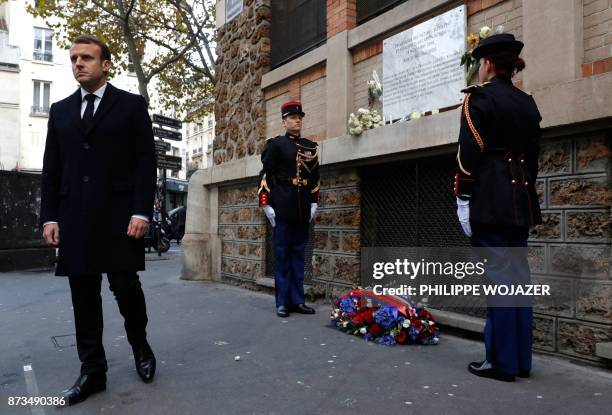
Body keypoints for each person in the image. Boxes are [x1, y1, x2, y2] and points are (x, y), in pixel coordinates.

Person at [40, 35, 157, 405]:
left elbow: (145, 162)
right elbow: (52, 169)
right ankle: (93, 371)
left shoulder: (131, 106)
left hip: (120, 217)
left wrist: (141, 211)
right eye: (73, 58)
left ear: (106, 64)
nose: (78, 63)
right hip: (75, 217)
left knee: (126, 288)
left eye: (87, 58)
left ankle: (140, 345)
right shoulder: (59, 110)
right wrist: (49, 218)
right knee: (83, 297)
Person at [454, 33, 542, 382]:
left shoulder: (479, 100)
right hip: (520, 201)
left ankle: (501, 362)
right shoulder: (527, 102)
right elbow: (533, 160)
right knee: (519, 279)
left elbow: (467, 155)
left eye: (479, 64)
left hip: (489, 200)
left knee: (499, 282)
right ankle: (521, 359)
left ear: (487, 64)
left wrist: (463, 199)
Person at [258, 102, 320, 318]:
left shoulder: (310, 146)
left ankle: (297, 300)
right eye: (292, 117)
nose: (297, 120)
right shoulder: (276, 145)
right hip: (282, 205)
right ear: (284, 121)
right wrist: (265, 202)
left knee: (298, 255)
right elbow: (265, 175)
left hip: (302, 207)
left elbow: (314, 178)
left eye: (299, 117)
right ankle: (282, 301)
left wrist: (315, 201)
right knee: (283, 254)